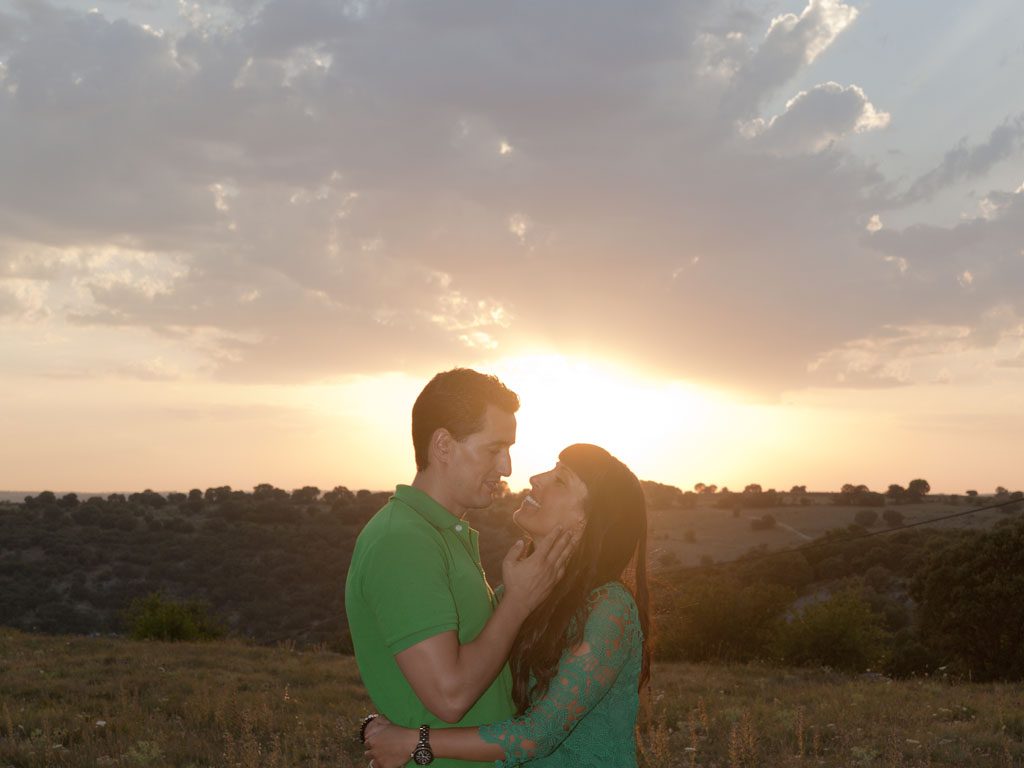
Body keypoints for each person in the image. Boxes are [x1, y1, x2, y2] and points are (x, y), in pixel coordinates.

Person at [363, 443, 650, 768]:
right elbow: (461, 671)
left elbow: (536, 736)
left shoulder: (609, 609)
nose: (535, 478)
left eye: (560, 480)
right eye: (551, 469)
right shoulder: (519, 595)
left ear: (587, 520)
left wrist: (413, 741)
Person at [345, 368, 576, 768]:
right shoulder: (403, 541)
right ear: (443, 445)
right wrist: (517, 603)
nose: (506, 467)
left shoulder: (440, 534)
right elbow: (450, 696)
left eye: (509, 449)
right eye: (493, 449)